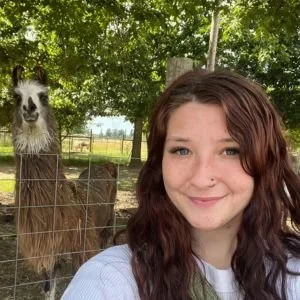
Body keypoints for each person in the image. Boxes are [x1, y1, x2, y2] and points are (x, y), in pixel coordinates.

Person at [62, 70, 300, 300]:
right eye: (182, 150)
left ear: (265, 161)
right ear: (159, 162)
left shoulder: (293, 277)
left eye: (230, 150)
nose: (201, 178)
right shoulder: (109, 281)